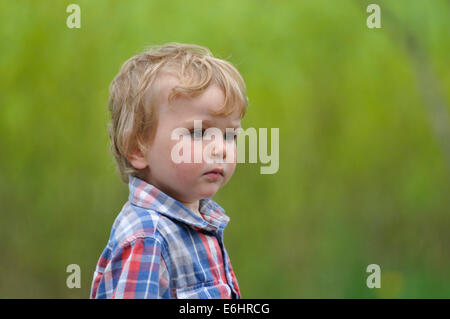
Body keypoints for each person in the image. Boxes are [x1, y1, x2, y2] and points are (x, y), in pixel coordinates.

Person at [90, 42, 248, 299]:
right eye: (198, 132)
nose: (220, 148)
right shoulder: (147, 239)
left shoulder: (199, 220)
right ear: (138, 148)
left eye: (230, 135)